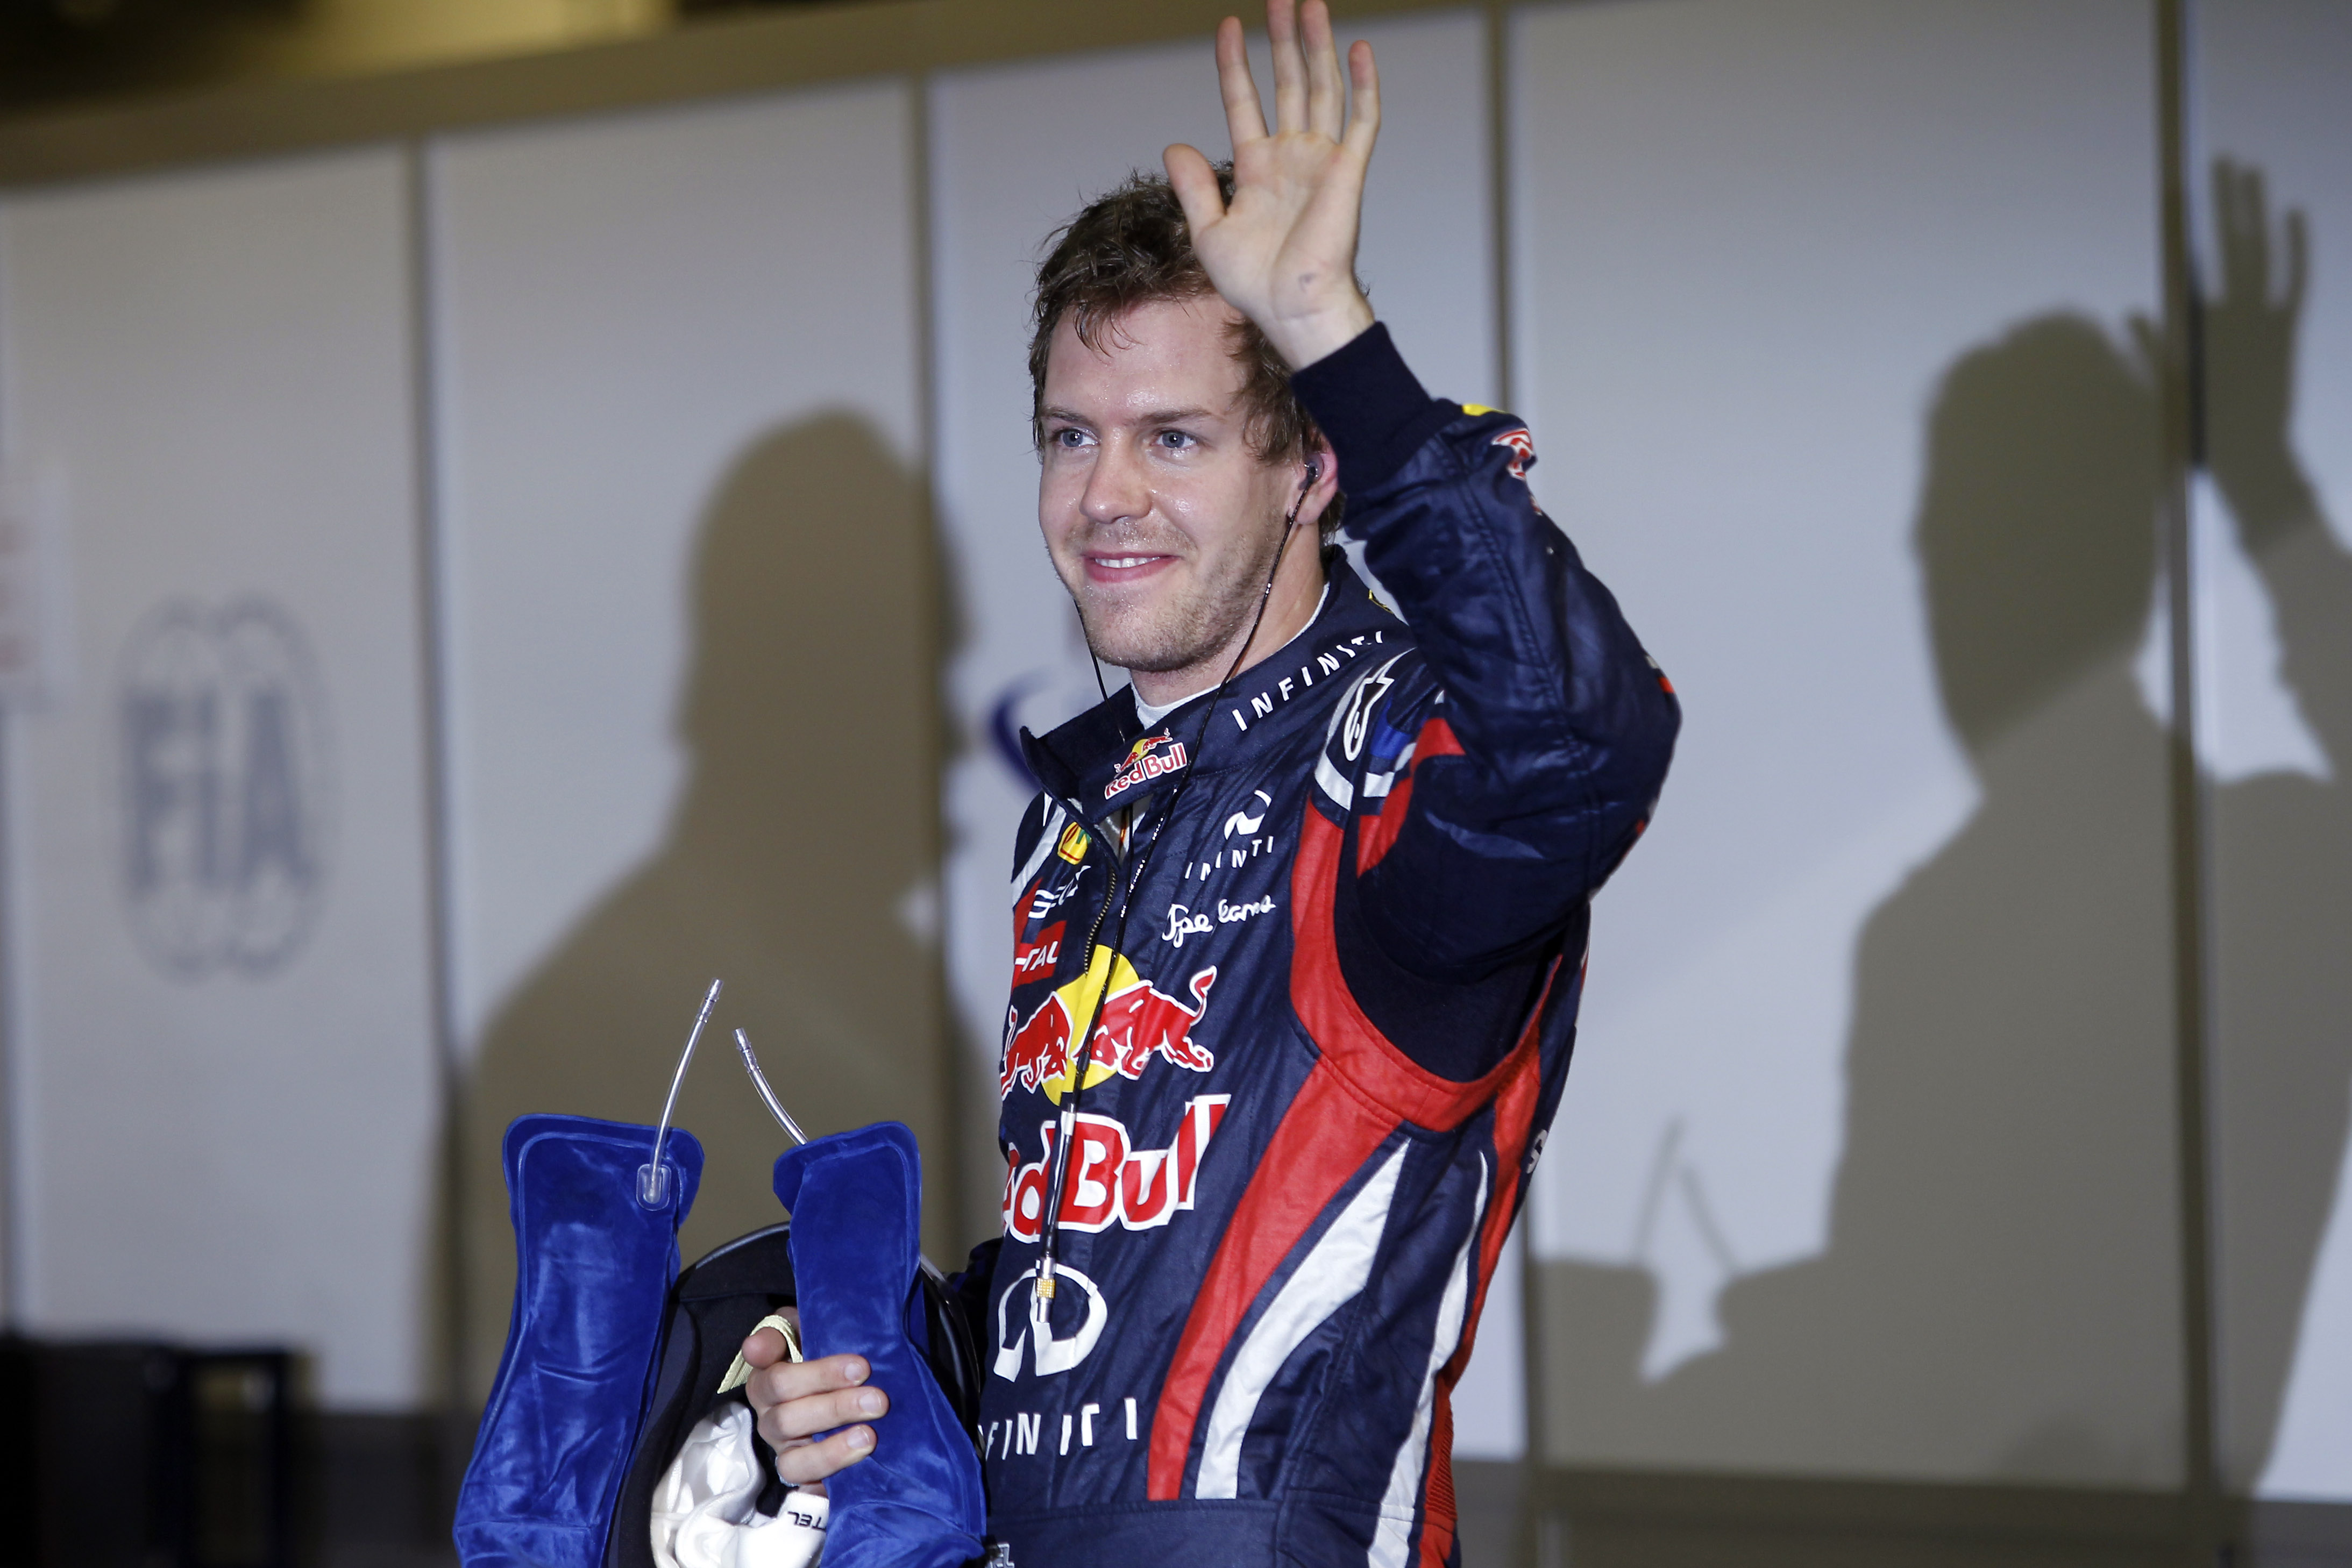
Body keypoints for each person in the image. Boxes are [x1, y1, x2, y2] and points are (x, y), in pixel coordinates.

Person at [735, 1, 1679, 1559]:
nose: (1102, 496)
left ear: (1311, 467)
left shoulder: (1383, 766)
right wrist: (860, 1364)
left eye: (1172, 439)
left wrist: (1331, 336)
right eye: (1070, 436)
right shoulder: (1078, 820)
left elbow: (1585, 743)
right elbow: (1105, 1292)